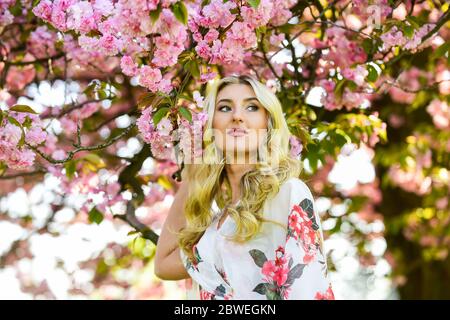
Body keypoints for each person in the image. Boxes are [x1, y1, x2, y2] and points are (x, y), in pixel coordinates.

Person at [154, 75, 334, 300]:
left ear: (267, 125)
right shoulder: (213, 230)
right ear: (210, 125)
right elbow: (163, 265)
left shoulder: (286, 194)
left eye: (251, 107)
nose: (237, 116)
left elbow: (309, 291)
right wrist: (193, 168)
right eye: (225, 108)